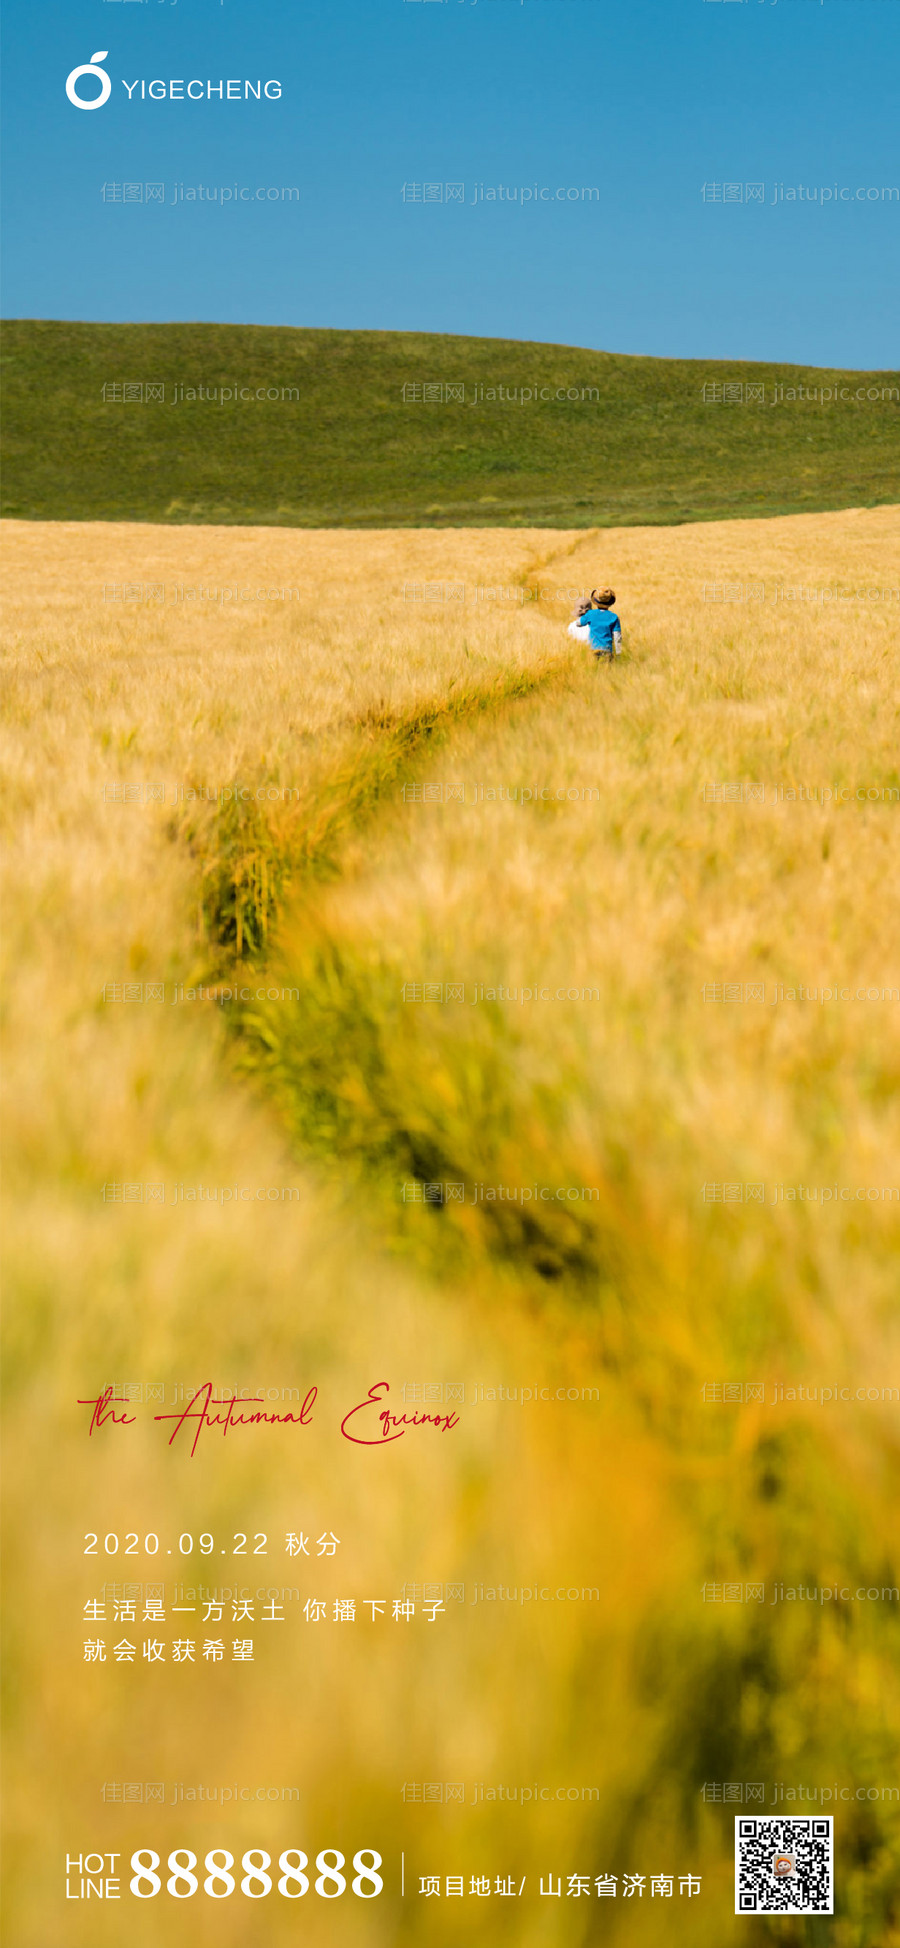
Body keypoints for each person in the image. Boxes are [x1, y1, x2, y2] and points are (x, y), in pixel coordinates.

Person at [577, 588, 622, 661]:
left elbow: (578, 624)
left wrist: (585, 615)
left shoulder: (590, 614)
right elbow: (617, 637)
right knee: (607, 671)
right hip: (607, 650)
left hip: (593, 650)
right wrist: (618, 654)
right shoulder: (614, 617)